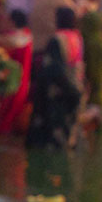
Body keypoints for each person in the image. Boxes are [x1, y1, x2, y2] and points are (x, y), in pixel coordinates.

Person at [25, 10, 81, 148]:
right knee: (65, 133)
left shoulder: (57, 39)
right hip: (72, 92)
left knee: (48, 136)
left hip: (55, 93)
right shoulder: (77, 38)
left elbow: (51, 68)